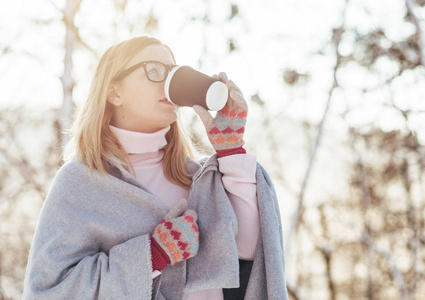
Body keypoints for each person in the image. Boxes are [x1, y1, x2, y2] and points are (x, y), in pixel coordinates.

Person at [23, 36, 287, 300]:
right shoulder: (81, 182)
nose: (170, 83)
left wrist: (231, 152)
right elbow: (50, 290)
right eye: (154, 71)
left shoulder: (197, 179)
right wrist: (152, 255)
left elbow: (252, 254)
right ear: (114, 92)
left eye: (173, 72)